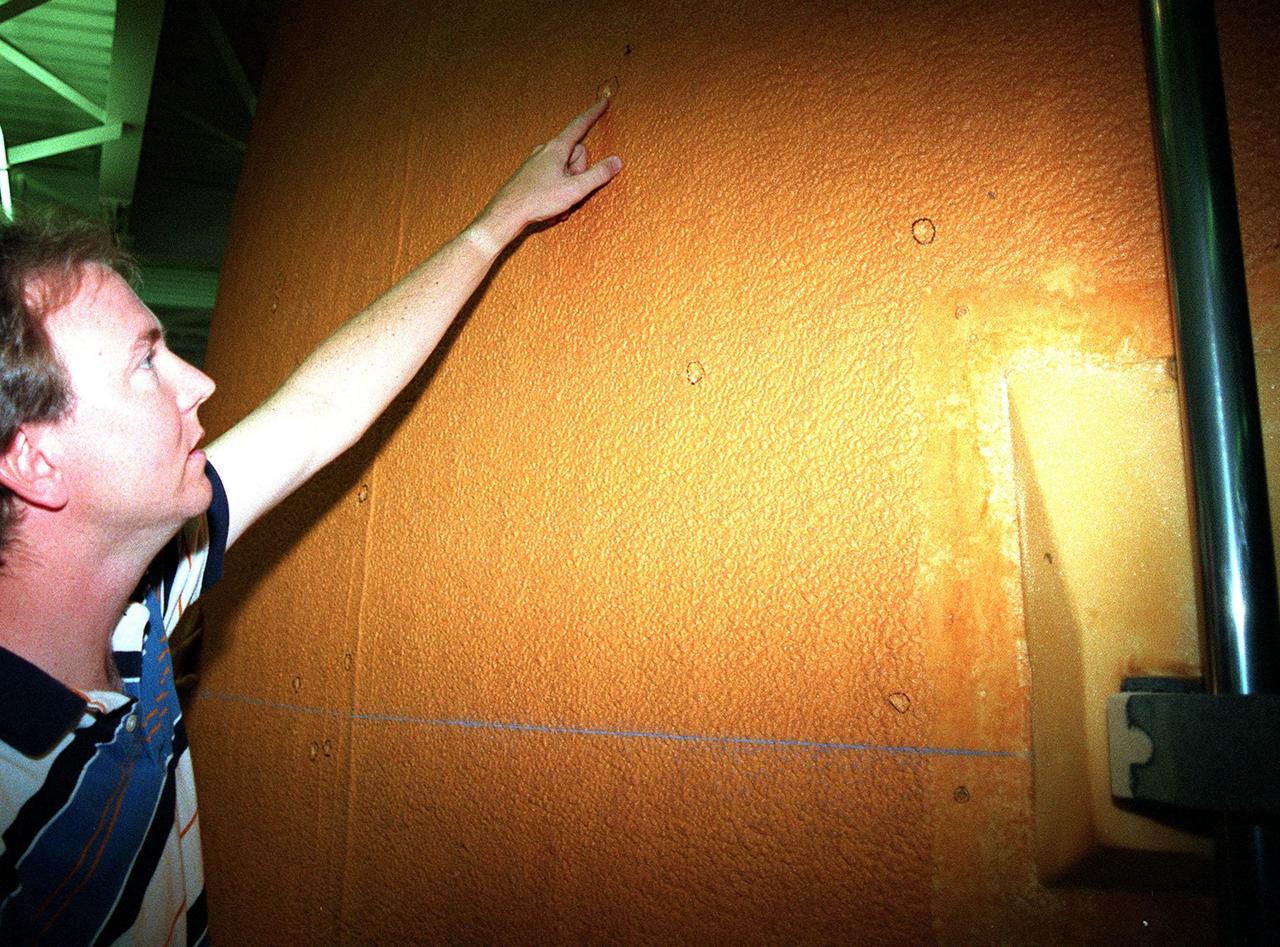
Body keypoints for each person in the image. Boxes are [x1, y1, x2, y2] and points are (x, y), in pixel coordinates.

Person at [0, 97, 621, 945]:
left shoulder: (144, 594)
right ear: (35, 460)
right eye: (147, 363)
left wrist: (496, 223)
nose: (199, 384)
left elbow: (321, 407)